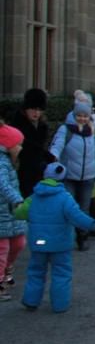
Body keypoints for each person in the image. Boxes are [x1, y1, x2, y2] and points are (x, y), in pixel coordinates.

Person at [13, 162, 95, 312]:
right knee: (61, 273)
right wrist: (94, 225)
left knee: (35, 271)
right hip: (60, 244)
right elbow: (77, 217)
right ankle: (59, 305)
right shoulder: (65, 198)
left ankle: (31, 300)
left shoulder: (33, 197)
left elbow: (19, 213)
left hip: (38, 242)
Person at [49, 102, 95, 251]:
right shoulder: (65, 129)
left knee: (84, 208)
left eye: (85, 116)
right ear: (74, 116)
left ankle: (82, 236)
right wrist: (53, 157)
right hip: (69, 174)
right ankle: (66, 236)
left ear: (89, 117)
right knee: (68, 207)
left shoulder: (92, 131)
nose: (82, 118)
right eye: (79, 116)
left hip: (88, 175)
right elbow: (57, 146)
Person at [0, 125, 28, 301]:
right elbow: (2, 184)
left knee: (18, 243)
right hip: (4, 213)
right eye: (19, 144)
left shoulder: (8, 161)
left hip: (10, 214)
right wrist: (17, 199)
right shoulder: (1, 163)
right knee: (2, 249)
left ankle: (6, 270)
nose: (21, 148)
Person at [11, 88, 52, 199]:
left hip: (38, 171)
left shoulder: (42, 126)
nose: (36, 113)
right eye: (33, 109)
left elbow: (40, 148)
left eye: (40, 109)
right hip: (22, 171)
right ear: (26, 108)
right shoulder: (17, 124)